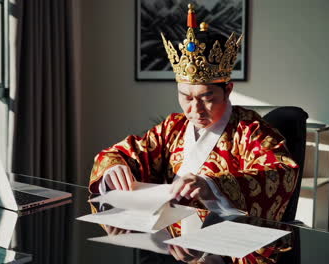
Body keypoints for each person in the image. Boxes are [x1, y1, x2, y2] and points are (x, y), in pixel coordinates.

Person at [88, 3, 298, 263]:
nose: (194, 109)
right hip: (171, 245)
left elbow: (280, 170)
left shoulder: (250, 130)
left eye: (207, 97)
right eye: (185, 97)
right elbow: (127, 151)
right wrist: (114, 166)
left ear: (228, 90)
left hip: (227, 247)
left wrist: (212, 186)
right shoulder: (173, 127)